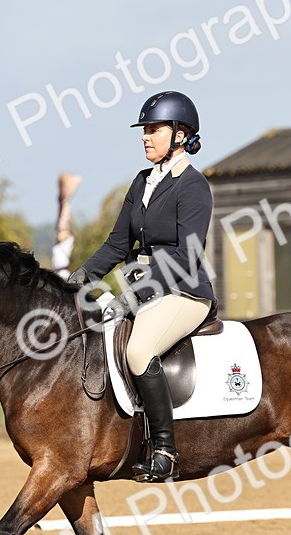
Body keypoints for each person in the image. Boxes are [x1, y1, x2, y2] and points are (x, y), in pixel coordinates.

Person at [68, 91, 216, 482]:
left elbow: (186, 258)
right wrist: (82, 277)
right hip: (143, 285)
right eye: (144, 131)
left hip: (185, 291)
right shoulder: (142, 182)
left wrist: (134, 294)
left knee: (138, 350)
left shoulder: (193, 186)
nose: (145, 137)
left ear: (180, 135)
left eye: (154, 130)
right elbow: (118, 244)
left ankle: (164, 449)